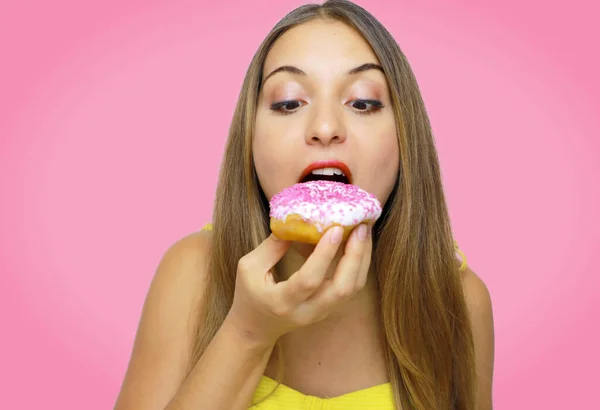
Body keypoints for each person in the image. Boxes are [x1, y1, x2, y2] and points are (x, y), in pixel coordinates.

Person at [114, 1, 495, 409]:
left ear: (405, 137)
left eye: (363, 102)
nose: (325, 128)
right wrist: (248, 331)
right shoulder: (193, 271)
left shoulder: (457, 300)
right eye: (289, 103)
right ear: (252, 139)